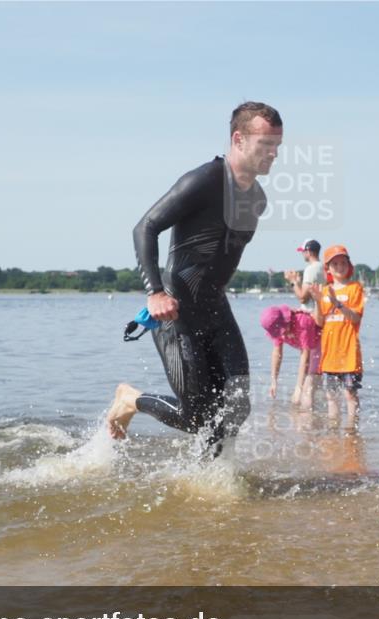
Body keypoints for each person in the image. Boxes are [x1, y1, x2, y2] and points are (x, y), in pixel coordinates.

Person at [105, 102, 282, 455]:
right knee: (197, 416)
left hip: (216, 309)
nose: (273, 154)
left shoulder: (257, 199)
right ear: (239, 139)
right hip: (175, 310)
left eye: (277, 146)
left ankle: (213, 486)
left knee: (236, 407)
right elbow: (146, 227)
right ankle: (130, 400)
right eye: (265, 144)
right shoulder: (204, 181)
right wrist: (155, 292)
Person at [310, 245, 365, 427]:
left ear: (349, 265)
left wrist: (337, 303)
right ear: (328, 269)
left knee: (350, 395)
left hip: (349, 354)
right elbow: (319, 322)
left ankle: (352, 431)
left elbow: (356, 317)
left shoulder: (355, 288)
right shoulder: (324, 291)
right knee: (331, 397)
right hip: (330, 356)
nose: (339, 267)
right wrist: (318, 301)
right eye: (335, 264)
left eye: (343, 263)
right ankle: (333, 433)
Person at [261, 305, 321, 409]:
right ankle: (312, 419)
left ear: (286, 321)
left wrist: (299, 387)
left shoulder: (302, 321)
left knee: (306, 390)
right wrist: (274, 381)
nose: (283, 334)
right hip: (310, 350)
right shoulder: (278, 329)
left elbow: (305, 357)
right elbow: (277, 353)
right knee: (299, 397)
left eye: (283, 330)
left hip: (321, 345)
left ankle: (307, 420)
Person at [284, 238, 324, 312]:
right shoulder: (323, 267)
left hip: (311, 315)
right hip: (321, 313)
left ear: (308, 252)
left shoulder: (311, 269)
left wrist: (292, 281)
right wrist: (298, 284)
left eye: (303, 251)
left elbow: (303, 299)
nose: (302, 254)